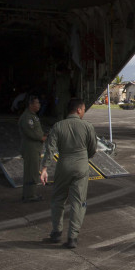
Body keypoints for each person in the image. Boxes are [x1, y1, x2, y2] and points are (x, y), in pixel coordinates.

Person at [40, 97, 99, 248]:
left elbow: (50, 149)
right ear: (78, 109)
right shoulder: (87, 126)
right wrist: (84, 157)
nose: (84, 112)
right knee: (78, 202)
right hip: (81, 167)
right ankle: (72, 237)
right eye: (84, 109)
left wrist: (44, 169)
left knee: (58, 199)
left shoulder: (58, 126)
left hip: (63, 166)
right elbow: (92, 148)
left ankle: (56, 233)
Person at [18, 96, 46, 202]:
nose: (39, 105)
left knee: (33, 171)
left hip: (35, 148)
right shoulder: (27, 118)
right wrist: (42, 137)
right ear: (31, 105)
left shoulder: (33, 116)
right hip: (31, 149)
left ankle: (30, 193)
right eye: (37, 103)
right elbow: (30, 132)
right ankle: (29, 195)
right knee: (31, 172)